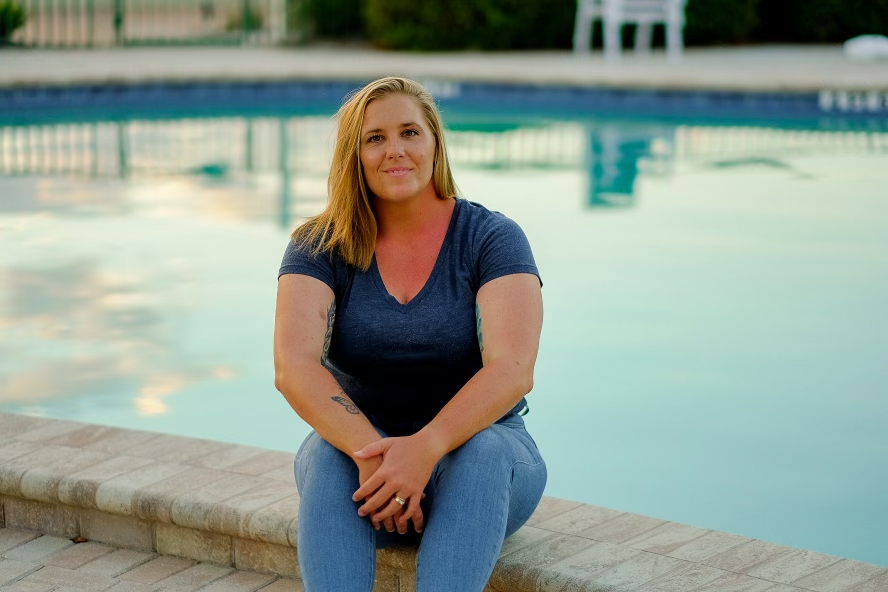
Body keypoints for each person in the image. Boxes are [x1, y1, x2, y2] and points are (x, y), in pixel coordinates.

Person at [273, 76, 546, 592]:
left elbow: (513, 370)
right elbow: (294, 368)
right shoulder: (318, 244)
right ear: (353, 155)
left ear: (435, 144)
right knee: (325, 456)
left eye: (409, 133)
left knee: (485, 451)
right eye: (375, 138)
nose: (394, 150)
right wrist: (380, 460)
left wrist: (424, 449)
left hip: (484, 469)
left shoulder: (491, 238)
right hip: (363, 475)